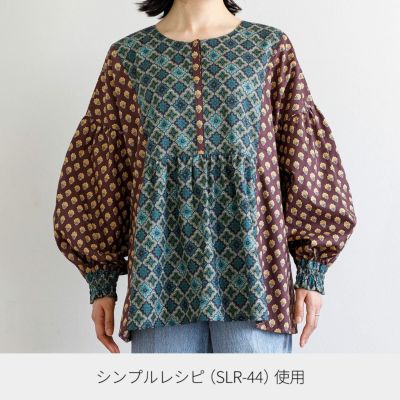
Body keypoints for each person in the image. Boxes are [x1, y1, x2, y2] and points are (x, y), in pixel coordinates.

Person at [52, 0, 357, 353]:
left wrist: (311, 269)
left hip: (255, 277)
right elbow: (103, 169)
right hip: (160, 283)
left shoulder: (268, 48)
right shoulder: (129, 57)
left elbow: (302, 153)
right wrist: (101, 281)